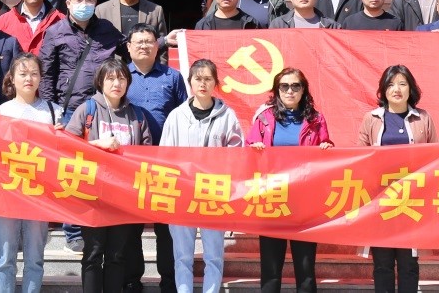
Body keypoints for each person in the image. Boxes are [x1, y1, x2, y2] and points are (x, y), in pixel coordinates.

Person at [39, 0, 123, 253]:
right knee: (72, 172)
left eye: (89, 0)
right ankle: (73, 231)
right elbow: (46, 74)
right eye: (79, 0)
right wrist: (51, 111)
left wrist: (162, 41)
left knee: (101, 172)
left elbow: (131, 49)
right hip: (68, 112)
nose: (84, 4)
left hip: (101, 110)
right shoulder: (55, 32)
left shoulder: (107, 30)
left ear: (95, 2)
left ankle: (99, 224)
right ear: (68, 3)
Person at [65, 58, 153, 293]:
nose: (117, 83)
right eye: (111, 78)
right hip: (92, 195)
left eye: (122, 78)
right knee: (93, 254)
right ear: (100, 82)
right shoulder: (87, 110)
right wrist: (97, 144)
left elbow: (147, 154)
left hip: (123, 197)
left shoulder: (137, 115)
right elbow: (66, 147)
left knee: (116, 255)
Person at [246, 68, 333, 293]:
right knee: (271, 269)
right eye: (284, 86)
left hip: (304, 202)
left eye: (295, 86)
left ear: (303, 90)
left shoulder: (316, 119)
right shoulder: (264, 118)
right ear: (277, 90)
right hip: (272, 199)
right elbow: (248, 150)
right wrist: (254, 149)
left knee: (305, 270)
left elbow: (326, 150)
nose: (290, 91)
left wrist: (327, 148)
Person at [162, 59, 245, 293]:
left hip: (214, 195)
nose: (203, 83)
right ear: (190, 82)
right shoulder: (176, 116)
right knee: (182, 256)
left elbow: (237, 155)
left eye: (208, 79)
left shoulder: (227, 116)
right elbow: (165, 157)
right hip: (182, 195)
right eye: (198, 78)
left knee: (214, 256)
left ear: (215, 83)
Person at [356, 65, 439, 293]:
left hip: (411, 202)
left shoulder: (423, 118)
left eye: (403, 84)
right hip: (380, 201)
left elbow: (436, 157)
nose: (397, 89)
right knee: (382, 263)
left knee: (408, 264)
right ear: (383, 89)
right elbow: (359, 156)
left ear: (411, 88)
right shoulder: (371, 119)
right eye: (391, 84)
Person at [0, 53, 62, 293]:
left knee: (35, 258)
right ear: (12, 78)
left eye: (34, 73)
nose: (28, 78)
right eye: (22, 74)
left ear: (41, 77)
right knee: (5, 259)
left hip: (39, 193)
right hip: (7, 193)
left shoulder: (54, 112)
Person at [124, 26, 187, 293]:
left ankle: (169, 281)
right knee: (131, 227)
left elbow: (186, 113)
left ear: (157, 45)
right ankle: (131, 279)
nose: (144, 46)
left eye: (149, 41)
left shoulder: (173, 77)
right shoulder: (121, 76)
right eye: (138, 42)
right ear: (128, 47)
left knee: (166, 229)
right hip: (129, 165)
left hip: (166, 164)